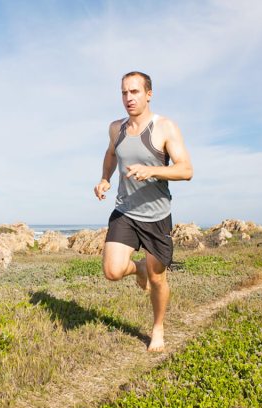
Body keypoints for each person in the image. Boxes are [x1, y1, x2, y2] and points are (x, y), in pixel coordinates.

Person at [94, 71, 193, 352]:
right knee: (112, 271)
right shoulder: (117, 128)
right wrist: (105, 179)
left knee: (158, 278)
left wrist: (151, 170)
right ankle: (139, 269)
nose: (129, 98)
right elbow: (111, 154)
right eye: (124, 92)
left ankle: (158, 327)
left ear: (148, 94)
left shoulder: (164, 127)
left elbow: (186, 169)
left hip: (156, 217)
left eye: (135, 92)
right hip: (125, 210)